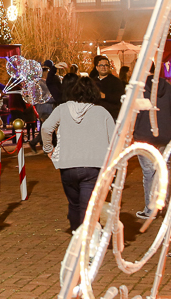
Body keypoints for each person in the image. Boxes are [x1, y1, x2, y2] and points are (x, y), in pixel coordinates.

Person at [41, 76, 115, 231]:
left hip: (67, 165)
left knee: (74, 204)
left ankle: (76, 232)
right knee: (88, 207)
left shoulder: (62, 109)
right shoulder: (101, 112)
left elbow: (46, 128)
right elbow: (114, 138)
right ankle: (87, 238)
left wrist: (49, 148)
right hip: (93, 165)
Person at [135, 66, 171, 219]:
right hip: (165, 134)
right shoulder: (167, 86)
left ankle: (151, 209)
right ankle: (163, 205)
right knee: (163, 169)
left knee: (149, 172)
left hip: (144, 135)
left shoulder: (138, 88)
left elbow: (132, 113)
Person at [93, 55, 125, 119]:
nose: (103, 67)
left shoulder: (116, 81)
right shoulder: (92, 81)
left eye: (106, 65)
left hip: (112, 115)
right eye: (101, 65)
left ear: (109, 67)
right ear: (97, 67)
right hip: (96, 115)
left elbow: (120, 97)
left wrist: (105, 96)